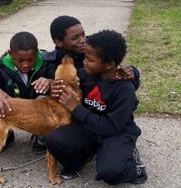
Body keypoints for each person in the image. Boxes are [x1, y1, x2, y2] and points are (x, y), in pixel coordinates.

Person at [46, 30, 147, 185]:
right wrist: (52, 87)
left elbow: (110, 127)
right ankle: (81, 159)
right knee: (54, 139)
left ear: (110, 64)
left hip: (115, 132)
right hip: (90, 127)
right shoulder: (85, 75)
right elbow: (66, 84)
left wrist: (75, 108)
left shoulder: (124, 90)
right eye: (85, 57)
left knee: (110, 172)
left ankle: (134, 165)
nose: (84, 61)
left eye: (90, 59)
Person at [0, 31, 53, 154]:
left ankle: (42, 138)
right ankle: (4, 133)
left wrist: (51, 82)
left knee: (46, 99)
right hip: (12, 112)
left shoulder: (47, 62)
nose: (26, 64)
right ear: (11, 53)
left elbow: (65, 84)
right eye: (20, 60)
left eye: (30, 60)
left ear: (37, 52)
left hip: (36, 111)